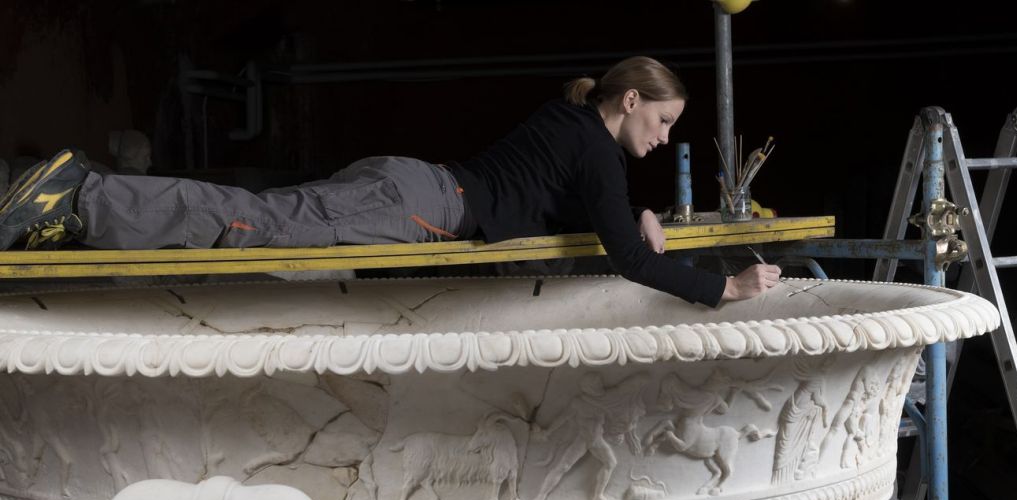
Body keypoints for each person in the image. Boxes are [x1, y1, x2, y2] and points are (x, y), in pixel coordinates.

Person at [0, 56, 780, 307]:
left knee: (259, 221)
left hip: (412, 187)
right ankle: (76, 197)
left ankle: (76, 199)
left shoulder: (573, 122)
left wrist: (641, 210)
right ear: (633, 100)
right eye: (665, 121)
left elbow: (596, 207)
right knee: (248, 225)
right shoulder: (594, 151)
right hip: (417, 205)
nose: (666, 137)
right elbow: (631, 262)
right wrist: (730, 289)